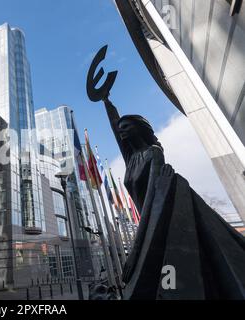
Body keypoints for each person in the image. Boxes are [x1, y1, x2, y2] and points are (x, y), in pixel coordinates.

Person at [99, 97, 245, 300]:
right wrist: (107, 102)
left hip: (158, 219)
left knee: (173, 275)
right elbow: (115, 129)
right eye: (120, 127)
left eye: (126, 126)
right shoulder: (131, 160)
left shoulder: (153, 153)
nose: (121, 131)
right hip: (147, 219)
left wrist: (136, 250)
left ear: (138, 129)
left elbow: (151, 199)